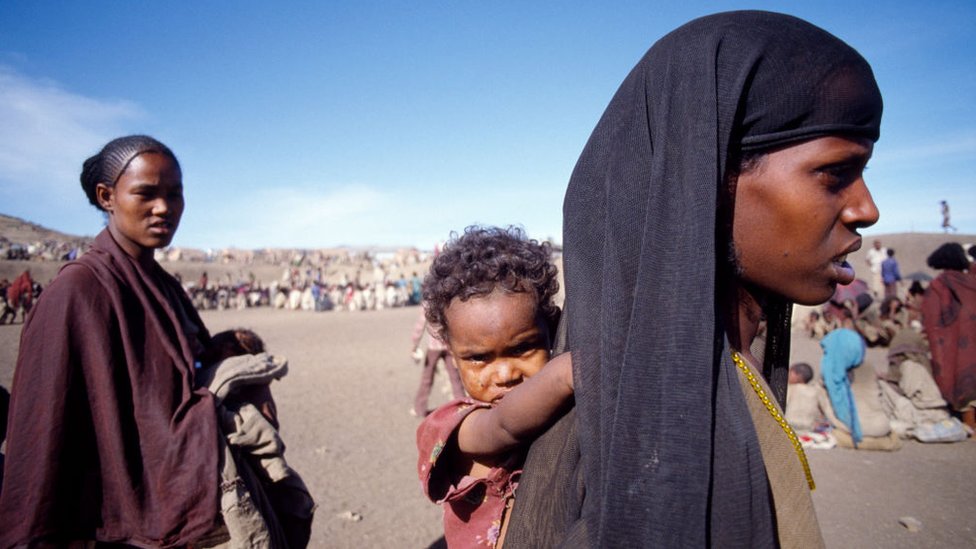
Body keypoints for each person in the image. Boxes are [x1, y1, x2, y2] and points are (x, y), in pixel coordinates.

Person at [505, 11, 883, 548]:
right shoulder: (657, 422)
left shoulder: (728, 366)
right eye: (835, 173)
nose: (866, 209)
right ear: (706, 178)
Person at [0, 135, 224, 546]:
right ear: (107, 196)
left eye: (175, 195)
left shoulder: (164, 286)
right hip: (102, 525)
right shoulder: (79, 290)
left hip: (161, 512)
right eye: (146, 193)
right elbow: (44, 426)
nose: (164, 208)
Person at [415, 226, 573, 548]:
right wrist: (567, 373)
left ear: (552, 331)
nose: (504, 374)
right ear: (453, 356)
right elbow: (502, 426)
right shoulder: (457, 425)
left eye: (522, 349)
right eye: (478, 358)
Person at [920, 242, 976, 430]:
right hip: (971, 339)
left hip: (953, 342)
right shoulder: (971, 282)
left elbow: (931, 318)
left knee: (959, 378)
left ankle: (969, 426)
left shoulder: (938, 285)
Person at [410, 302, 467, 417]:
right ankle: (462, 406)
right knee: (455, 378)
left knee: (427, 378)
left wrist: (414, 345)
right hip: (448, 345)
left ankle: (419, 408)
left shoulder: (428, 304)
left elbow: (420, 326)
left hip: (433, 347)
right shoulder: (448, 300)